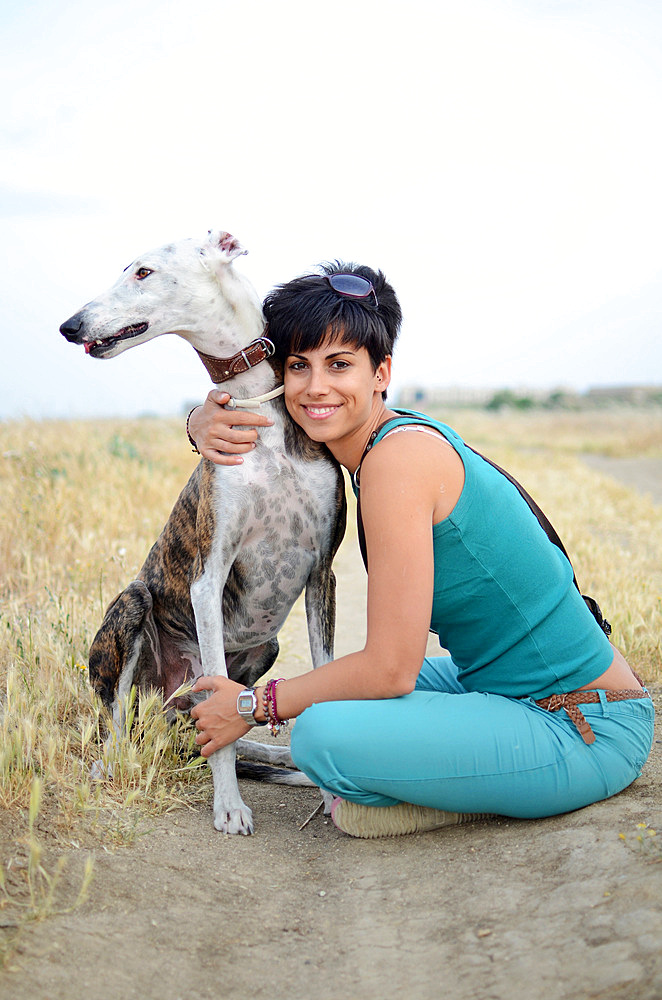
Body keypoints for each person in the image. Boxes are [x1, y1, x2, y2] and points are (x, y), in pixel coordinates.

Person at [188, 263, 654, 838]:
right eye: (298, 366)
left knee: (318, 736)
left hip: (581, 724)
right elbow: (256, 408)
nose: (315, 388)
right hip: (492, 684)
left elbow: (390, 669)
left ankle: (434, 793)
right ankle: (430, 775)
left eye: (340, 365)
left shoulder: (397, 462)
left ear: (382, 371)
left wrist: (250, 705)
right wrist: (199, 419)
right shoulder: (385, 440)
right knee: (325, 700)